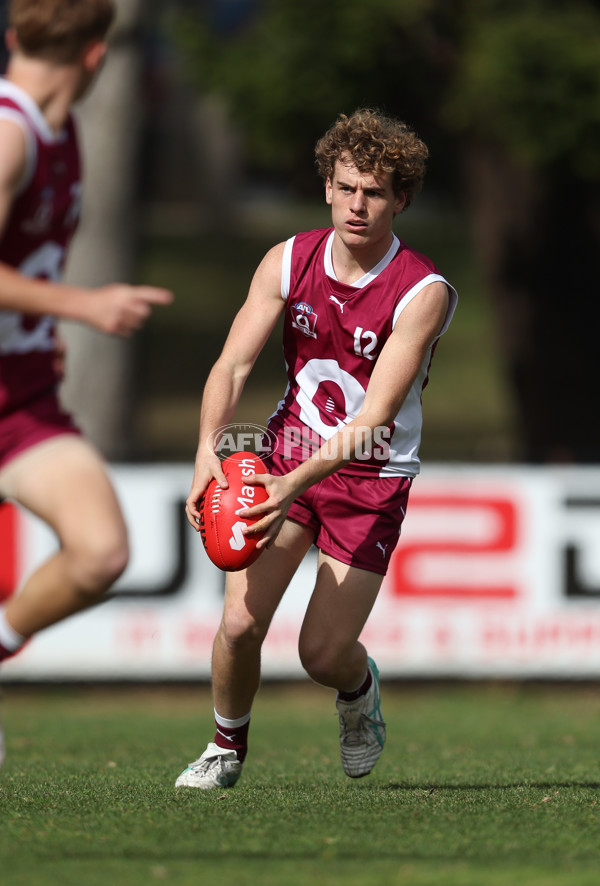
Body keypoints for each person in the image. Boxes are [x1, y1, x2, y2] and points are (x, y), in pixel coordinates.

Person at [176, 108, 457, 790]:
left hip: (370, 474)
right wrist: (208, 453)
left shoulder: (423, 291)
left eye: (376, 192)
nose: (359, 205)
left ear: (402, 199)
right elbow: (232, 366)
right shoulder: (288, 260)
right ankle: (224, 747)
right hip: (287, 452)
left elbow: (376, 416)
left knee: (322, 654)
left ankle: (359, 694)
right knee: (240, 622)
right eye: (348, 187)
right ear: (327, 187)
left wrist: (291, 484)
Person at [0, 0, 173, 767]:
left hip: (22, 397)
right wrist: (85, 306)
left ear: (13, 38)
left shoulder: (57, 130)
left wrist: (40, 334)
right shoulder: (9, 137)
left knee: (100, 552)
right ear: (98, 56)